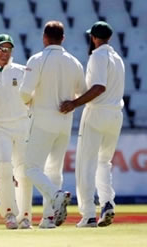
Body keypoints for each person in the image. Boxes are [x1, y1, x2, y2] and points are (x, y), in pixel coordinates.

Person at [19, 21, 86, 228]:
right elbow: (82, 92)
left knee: (30, 167)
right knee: (54, 170)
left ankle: (56, 196)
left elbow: (23, 92)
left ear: (44, 37)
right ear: (63, 38)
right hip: (65, 122)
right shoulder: (74, 62)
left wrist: (29, 102)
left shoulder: (38, 59)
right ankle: (48, 218)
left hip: (42, 120)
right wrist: (72, 103)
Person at [59, 21, 124, 228]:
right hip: (115, 116)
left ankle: (88, 214)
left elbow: (99, 87)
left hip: (97, 114)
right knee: (104, 163)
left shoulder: (98, 56)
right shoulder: (117, 58)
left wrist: (74, 103)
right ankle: (107, 203)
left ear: (94, 38)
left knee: (86, 165)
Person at [0, 34, 33, 229]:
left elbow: (32, 96)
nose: (5, 53)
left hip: (22, 125)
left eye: (8, 49)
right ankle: (9, 213)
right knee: (4, 168)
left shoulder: (22, 71)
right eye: (1, 49)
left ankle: (25, 215)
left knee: (24, 172)